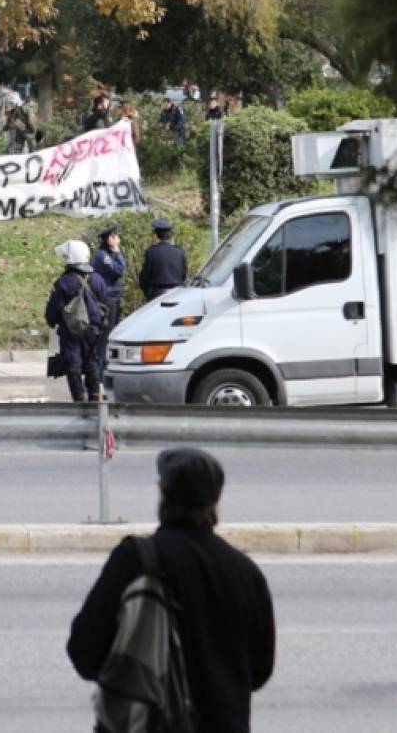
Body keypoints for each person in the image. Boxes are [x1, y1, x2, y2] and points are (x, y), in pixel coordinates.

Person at [67, 448, 275, 732]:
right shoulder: (246, 574)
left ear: (163, 494)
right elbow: (260, 672)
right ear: (215, 501)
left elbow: (84, 654)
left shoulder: (135, 560)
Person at [44, 239, 107, 403]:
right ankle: (95, 400)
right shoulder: (98, 279)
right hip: (94, 331)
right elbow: (103, 302)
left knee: (74, 367)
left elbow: (53, 311)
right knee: (92, 364)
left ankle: (79, 401)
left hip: (71, 332)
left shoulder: (64, 282)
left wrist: (52, 321)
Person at [91, 226, 126, 376]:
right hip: (107, 299)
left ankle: (104, 368)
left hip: (113, 298)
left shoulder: (108, 255)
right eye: (115, 237)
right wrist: (117, 250)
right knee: (105, 336)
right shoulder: (102, 256)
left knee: (110, 334)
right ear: (109, 239)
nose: (118, 239)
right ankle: (100, 371)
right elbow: (120, 270)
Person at [139, 219, 188, 301]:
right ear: (170, 236)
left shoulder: (151, 252)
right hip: (177, 294)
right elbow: (184, 274)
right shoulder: (179, 252)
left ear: (156, 235)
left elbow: (145, 277)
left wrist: (147, 292)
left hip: (157, 294)